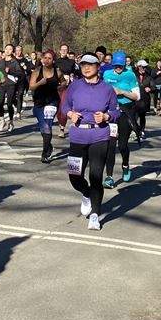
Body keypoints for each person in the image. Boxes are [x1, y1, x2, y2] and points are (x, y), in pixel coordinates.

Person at [59, 54, 120, 231]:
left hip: (99, 135)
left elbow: (116, 111)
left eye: (90, 65)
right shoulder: (74, 86)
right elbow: (65, 106)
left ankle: (95, 215)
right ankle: (85, 193)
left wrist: (107, 116)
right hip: (78, 136)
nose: (86, 68)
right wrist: (70, 114)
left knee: (96, 176)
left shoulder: (107, 89)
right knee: (74, 175)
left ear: (98, 67)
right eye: (83, 65)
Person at [102, 50, 140, 186]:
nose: (118, 68)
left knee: (122, 145)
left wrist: (122, 92)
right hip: (111, 113)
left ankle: (125, 165)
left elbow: (137, 96)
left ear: (124, 65)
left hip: (126, 112)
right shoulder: (106, 74)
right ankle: (109, 177)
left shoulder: (130, 75)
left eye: (120, 65)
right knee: (110, 146)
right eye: (116, 65)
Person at [28, 49, 63, 162]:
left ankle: (45, 154)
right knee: (43, 128)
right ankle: (49, 146)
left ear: (53, 60)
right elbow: (31, 87)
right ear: (42, 59)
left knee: (47, 126)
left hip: (52, 102)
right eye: (45, 58)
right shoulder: (38, 71)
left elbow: (63, 82)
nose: (47, 60)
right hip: (39, 103)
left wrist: (60, 86)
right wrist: (40, 83)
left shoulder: (57, 72)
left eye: (50, 58)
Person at [0, 44, 25, 133]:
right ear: (4, 50)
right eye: (6, 49)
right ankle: (2, 120)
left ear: (12, 51)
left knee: (9, 103)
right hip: (1, 84)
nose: (8, 51)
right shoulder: (0, 62)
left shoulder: (15, 62)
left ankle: (11, 121)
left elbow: (20, 73)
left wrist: (11, 72)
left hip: (11, 85)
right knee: (0, 102)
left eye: (10, 49)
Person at [134, 59, 156, 142]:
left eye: (145, 67)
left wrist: (150, 88)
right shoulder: (133, 75)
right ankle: (136, 131)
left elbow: (154, 87)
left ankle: (142, 131)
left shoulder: (149, 76)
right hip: (135, 99)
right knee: (134, 116)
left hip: (144, 100)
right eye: (142, 67)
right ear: (139, 67)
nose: (144, 69)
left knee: (142, 116)